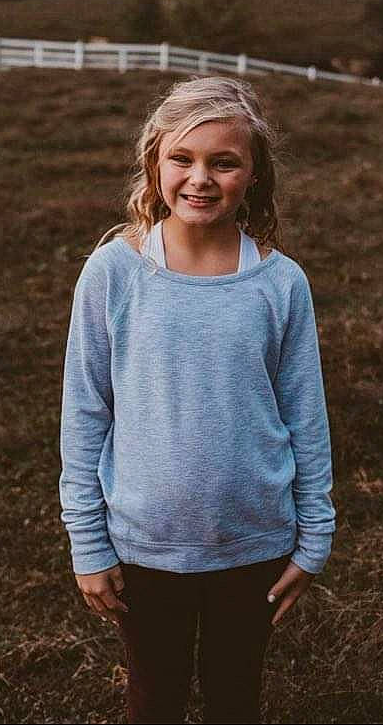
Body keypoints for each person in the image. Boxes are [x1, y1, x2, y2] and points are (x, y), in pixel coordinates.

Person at [58, 75, 336, 724]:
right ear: (154, 162)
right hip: (144, 546)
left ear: (254, 175)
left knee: (235, 697)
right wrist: (88, 543)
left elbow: (306, 416)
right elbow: (85, 414)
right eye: (182, 158)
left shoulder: (281, 283)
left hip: (256, 543)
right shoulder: (113, 273)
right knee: (154, 700)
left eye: (224, 161)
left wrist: (314, 533)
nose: (200, 178)